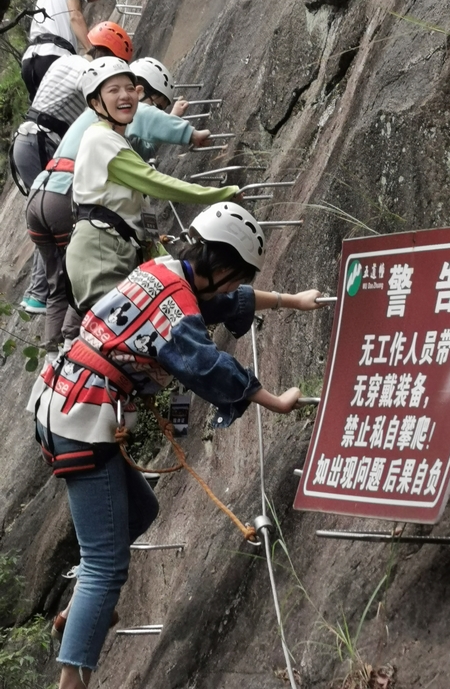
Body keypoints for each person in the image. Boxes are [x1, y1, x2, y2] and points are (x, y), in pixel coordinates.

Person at [28, 202, 324, 689]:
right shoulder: (176, 305)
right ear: (223, 266)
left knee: (139, 510)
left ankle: (80, 606)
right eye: (236, 276)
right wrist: (274, 400)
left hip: (66, 399)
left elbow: (223, 304)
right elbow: (204, 363)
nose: (233, 286)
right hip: (82, 414)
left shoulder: (165, 271)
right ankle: (71, 680)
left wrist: (292, 300)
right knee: (106, 564)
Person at [26, 54, 210, 348]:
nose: (132, 100)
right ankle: (75, 341)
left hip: (40, 194)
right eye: (156, 102)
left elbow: (140, 146)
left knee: (57, 283)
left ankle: (53, 351)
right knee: (83, 271)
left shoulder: (102, 119)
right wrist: (191, 133)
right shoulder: (122, 114)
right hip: (64, 196)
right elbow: (149, 122)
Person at [65, 56, 241, 317]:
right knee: (122, 333)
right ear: (95, 102)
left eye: (129, 88)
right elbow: (156, 183)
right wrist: (221, 194)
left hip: (114, 249)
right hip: (101, 253)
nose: (124, 96)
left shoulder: (114, 138)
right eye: (113, 90)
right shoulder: (101, 139)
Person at [17, 22, 133, 320]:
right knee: (60, 218)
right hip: (42, 143)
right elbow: (105, 106)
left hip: (30, 140)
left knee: (46, 217)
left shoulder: (64, 61)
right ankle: (44, 295)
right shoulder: (84, 69)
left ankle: (40, 296)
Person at [21, 0, 115, 100]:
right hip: (52, 56)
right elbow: (75, 16)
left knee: (44, 112)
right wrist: (92, 51)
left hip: (30, 61)